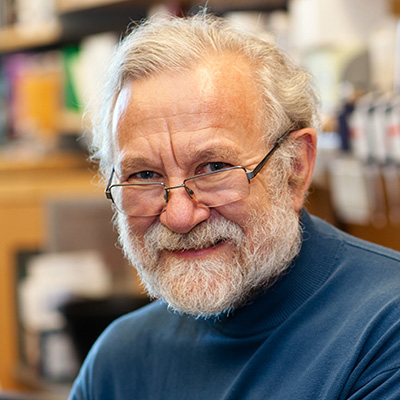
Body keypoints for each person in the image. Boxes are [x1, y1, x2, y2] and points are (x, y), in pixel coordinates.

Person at [69, 12, 400, 400]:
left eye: (213, 167)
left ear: (294, 168)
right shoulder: (118, 360)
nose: (178, 216)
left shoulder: (383, 332)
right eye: (144, 175)